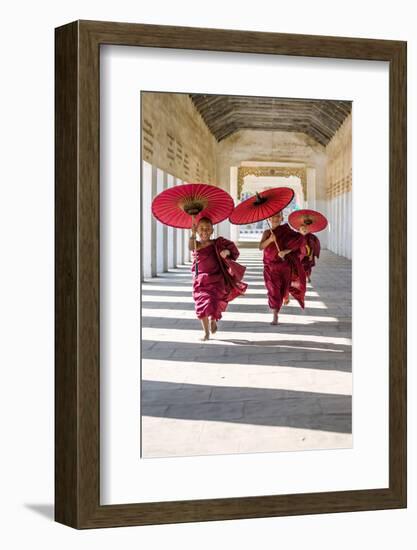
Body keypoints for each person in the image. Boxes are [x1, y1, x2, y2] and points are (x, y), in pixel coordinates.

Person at [189, 217, 247, 340]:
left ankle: (213, 319)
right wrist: (192, 234)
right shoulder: (197, 244)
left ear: (212, 231)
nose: (204, 231)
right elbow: (190, 247)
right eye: (201, 229)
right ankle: (206, 332)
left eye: (207, 229)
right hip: (201, 280)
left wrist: (226, 252)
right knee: (201, 305)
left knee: (213, 302)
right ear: (197, 230)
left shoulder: (217, 243)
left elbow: (233, 250)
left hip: (216, 279)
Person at [259, 211, 307, 325]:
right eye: (273, 216)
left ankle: (285, 295)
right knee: (273, 290)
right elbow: (261, 247)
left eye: (278, 216)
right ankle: (275, 315)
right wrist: (270, 240)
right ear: (269, 218)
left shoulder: (287, 231)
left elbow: (298, 242)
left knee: (283, 287)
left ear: (282, 218)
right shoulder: (267, 233)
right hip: (270, 267)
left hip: (284, 266)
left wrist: (286, 251)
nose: (275, 218)